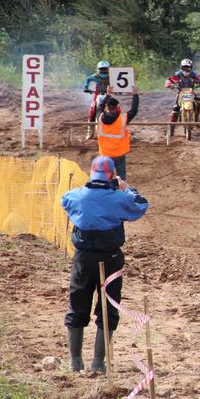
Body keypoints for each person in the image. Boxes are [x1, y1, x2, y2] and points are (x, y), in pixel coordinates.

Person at [61, 156, 149, 373]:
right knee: (108, 308)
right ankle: (98, 363)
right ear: (112, 175)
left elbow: (65, 201)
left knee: (77, 304)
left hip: (82, 258)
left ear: (92, 174)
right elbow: (141, 205)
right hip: (109, 259)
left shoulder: (76, 196)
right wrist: (126, 189)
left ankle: (75, 361)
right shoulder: (119, 198)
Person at [96, 87, 139, 180]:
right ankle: (121, 193)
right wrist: (135, 94)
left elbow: (99, 106)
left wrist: (107, 95)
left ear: (107, 107)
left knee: (105, 178)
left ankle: (106, 192)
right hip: (119, 154)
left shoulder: (100, 117)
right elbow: (134, 110)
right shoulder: (123, 118)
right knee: (121, 178)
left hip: (105, 154)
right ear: (117, 107)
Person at [166, 58, 200, 123]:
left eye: (188, 68)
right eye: (184, 68)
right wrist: (169, 84)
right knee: (176, 108)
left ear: (191, 68)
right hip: (181, 92)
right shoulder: (178, 74)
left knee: (199, 101)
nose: (186, 70)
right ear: (181, 67)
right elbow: (170, 79)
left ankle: (196, 117)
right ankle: (171, 127)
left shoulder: (194, 74)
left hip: (191, 92)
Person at [83, 60, 111, 140]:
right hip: (97, 96)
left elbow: (119, 85)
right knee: (92, 110)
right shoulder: (93, 77)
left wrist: (119, 91)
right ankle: (90, 132)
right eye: (101, 69)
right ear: (98, 69)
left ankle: (114, 130)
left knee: (115, 109)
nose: (103, 71)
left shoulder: (113, 77)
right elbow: (87, 83)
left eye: (105, 69)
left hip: (108, 95)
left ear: (108, 69)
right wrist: (86, 88)